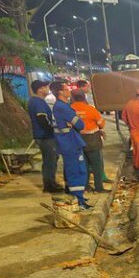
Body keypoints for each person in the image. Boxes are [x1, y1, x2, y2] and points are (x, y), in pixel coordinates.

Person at [49, 81, 91, 210]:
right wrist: (74, 121)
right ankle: (78, 201)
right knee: (77, 172)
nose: (69, 90)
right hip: (70, 143)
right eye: (66, 89)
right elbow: (80, 125)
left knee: (77, 171)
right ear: (60, 92)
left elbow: (75, 123)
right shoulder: (62, 107)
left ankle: (79, 198)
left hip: (70, 142)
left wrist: (73, 122)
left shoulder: (61, 106)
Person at [28, 79, 62, 193]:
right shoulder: (38, 102)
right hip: (45, 136)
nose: (48, 88)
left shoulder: (36, 101)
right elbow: (42, 119)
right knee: (50, 160)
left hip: (44, 135)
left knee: (51, 159)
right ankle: (49, 185)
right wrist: (51, 129)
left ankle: (51, 182)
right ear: (40, 89)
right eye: (46, 87)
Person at [71, 90, 106, 193]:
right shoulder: (90, 109)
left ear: (73, 98)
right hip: (92, 141)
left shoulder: (70, 109)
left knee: (83, 165)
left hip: (77, 140)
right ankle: (98, 188)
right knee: (96, 166)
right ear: (84, 97)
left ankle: (85, 187)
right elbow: (101, 124)